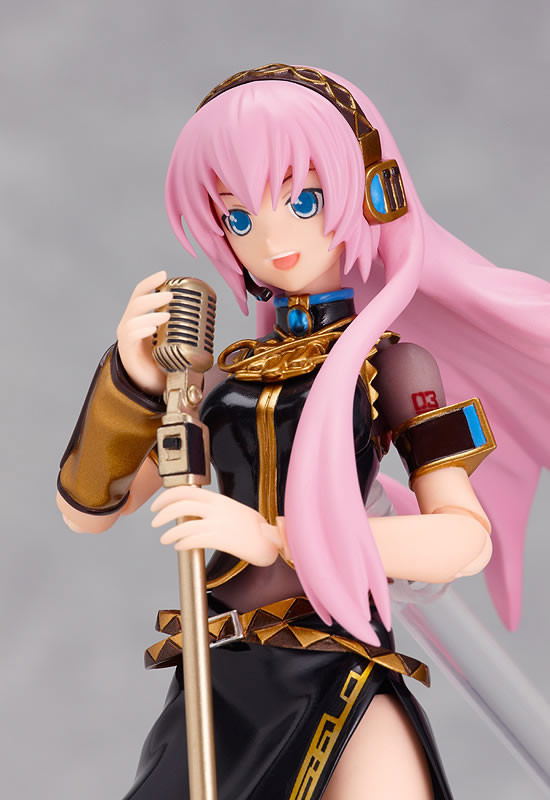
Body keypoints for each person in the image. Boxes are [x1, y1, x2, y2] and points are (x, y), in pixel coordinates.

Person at [56, 64, 550, 799]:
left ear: (369, 195)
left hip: (334, 673)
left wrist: (276, 536)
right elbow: (93, 508)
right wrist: (128, 381)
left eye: (304, 200)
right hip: (219, 680)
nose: (273, 238)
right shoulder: (220, 381)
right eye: (240, 219)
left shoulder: (393, 366)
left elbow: (462, 540)